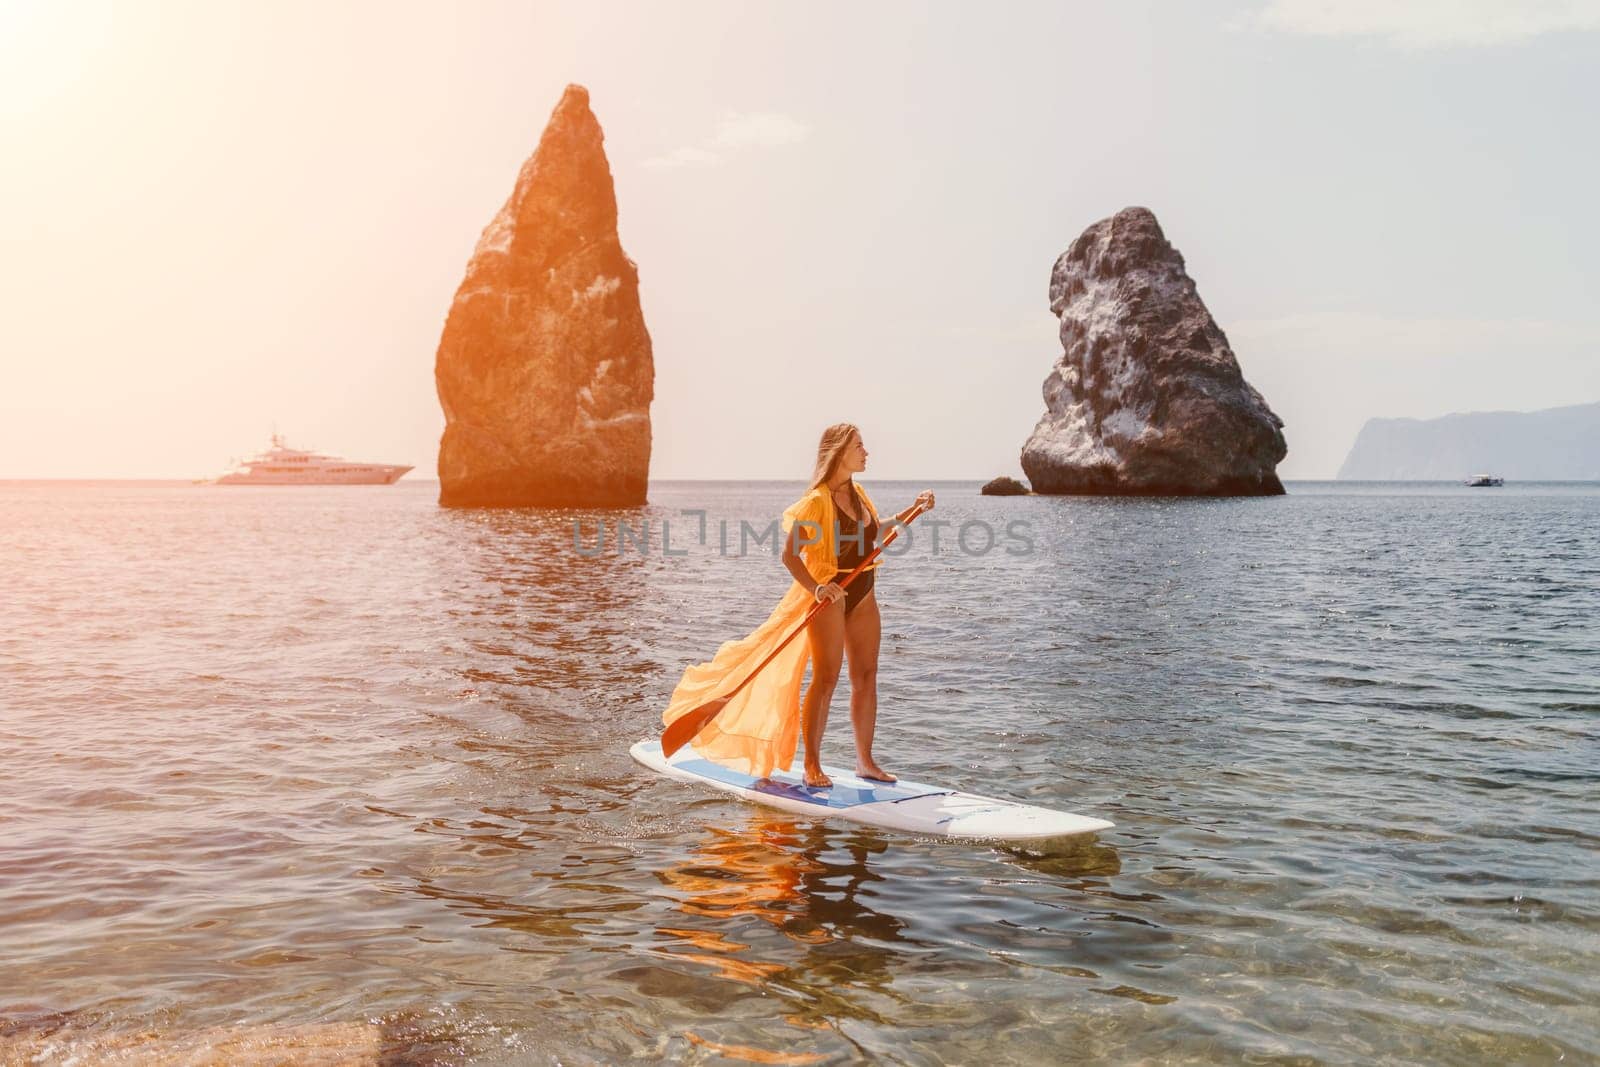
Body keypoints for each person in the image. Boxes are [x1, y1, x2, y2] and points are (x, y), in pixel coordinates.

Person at [660, 423, 935, 789]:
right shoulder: (816, 502)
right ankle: (812, 764)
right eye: (859, 446)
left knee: (866, 677)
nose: (866, 452)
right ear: (838, 452)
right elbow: (790, 556)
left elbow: (873, 533)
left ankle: (866, 762)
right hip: (831, 595)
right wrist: (818, 588)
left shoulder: (860, 494)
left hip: (864, 591)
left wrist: (911, 511)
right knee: (825, 679)